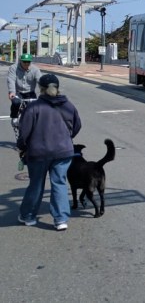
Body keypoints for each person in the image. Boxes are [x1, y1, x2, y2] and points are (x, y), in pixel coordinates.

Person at [17, 74, 82, 231]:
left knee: (36, 184)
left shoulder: (33, 107)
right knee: (59, 183)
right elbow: (77, 126)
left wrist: (22, 147)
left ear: (41, 89)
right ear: (57, 87)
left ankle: (28, 216)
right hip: (63, 152)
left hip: (38, 153)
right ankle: (60, 219)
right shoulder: (69, 105)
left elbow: (24, 132)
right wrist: (66, 138)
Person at [7, 53, 42, 127]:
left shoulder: (35, 69)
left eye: (28, 62)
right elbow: (11, 80)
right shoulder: (13, 68)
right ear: (20, 61)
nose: (26, 64)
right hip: (17, 91)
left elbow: (40, 81)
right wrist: (12, 92)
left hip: (30, 92)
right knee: (16, 102)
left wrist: (45, 92)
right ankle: (14, 117)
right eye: (24, 62)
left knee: (34, 108)